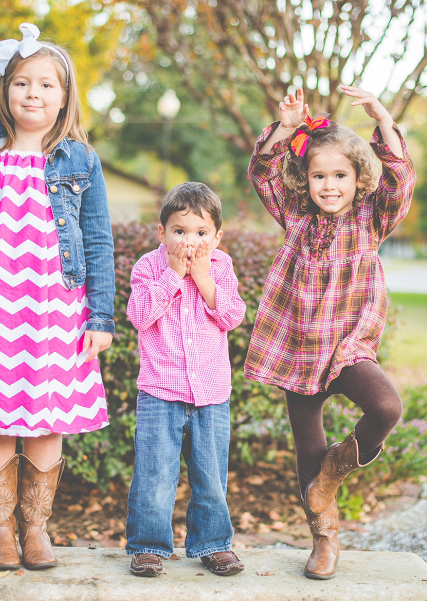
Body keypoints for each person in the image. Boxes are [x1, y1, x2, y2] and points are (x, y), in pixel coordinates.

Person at [0, 23, 115, 571]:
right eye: (21, 83)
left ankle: (35, 529)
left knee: (47, 421)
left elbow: (99, 240)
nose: (32, 93)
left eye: (45, 85)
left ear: (65, 99)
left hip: (59, 312)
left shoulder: (80, 161)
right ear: (4, 91)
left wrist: (101, 316)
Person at [246, 86, 416, 579]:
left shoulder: (372, 219)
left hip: (349, 346)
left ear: (358, 177)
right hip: (299, 350)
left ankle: (335, 472)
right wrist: (285, 125)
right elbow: (261, 172)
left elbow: (400, 181)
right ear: (306, 179)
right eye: (319, 176)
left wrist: (383, 119)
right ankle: (324, 541)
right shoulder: (295, 217)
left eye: (339, 175)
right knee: (308, 451)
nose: (329, 185)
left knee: (386, 407)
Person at [124, 182, 247, 578]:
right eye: (179, 231)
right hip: (160, 390)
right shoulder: (149, 267)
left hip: (210, 392)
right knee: (155, 475)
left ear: (216, 236)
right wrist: (175, 275)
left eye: (200, 233)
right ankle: (148, 547)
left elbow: (232, 316)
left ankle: (213, 544)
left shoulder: (222, 266)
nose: (189, 241)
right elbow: (140, 316)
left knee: (210, 475)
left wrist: (203, 277)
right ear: (162, 233)